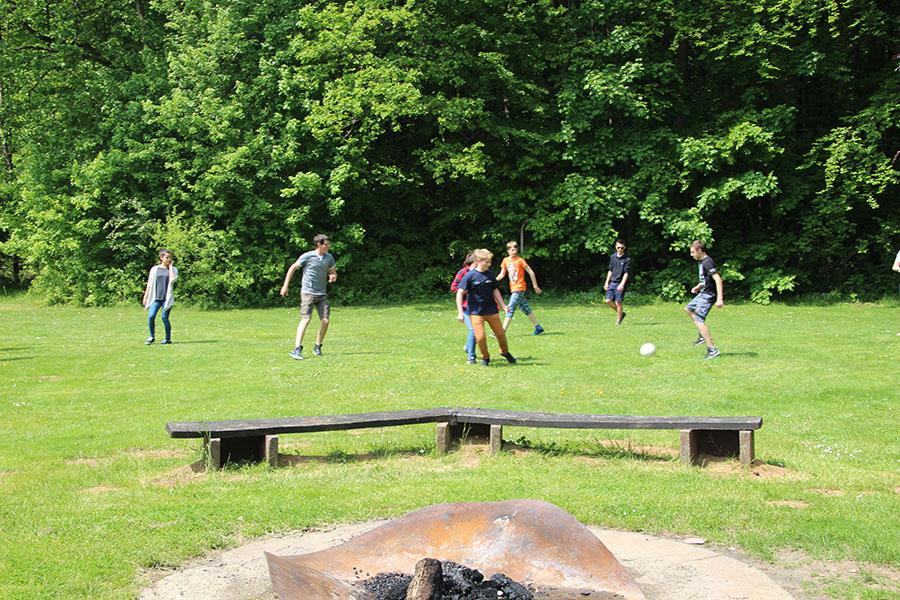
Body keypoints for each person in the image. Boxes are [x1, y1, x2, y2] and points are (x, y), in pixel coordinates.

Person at [280, 234, 337, 360]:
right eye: (326, 244)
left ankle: (318, 346)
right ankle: (297, 349)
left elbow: (333, 272)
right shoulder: (308, 256)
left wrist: (333, 276)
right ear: (319, 244)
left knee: (325, 320)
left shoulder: (329, 257)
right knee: (306, 319)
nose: (328, 246)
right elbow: (292, 268)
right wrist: (285, 286)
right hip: (308, 292)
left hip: (322, 294)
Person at [456, 249, 516, 367]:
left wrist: (503, 305)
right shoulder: (470, 275)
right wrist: (460, 313)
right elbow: (459, 293)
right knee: (480, 337)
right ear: (478, 261)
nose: (489, 264)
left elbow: (495, 290)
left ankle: (504, 352)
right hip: (476, 313)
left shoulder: (490, 274)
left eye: (489, 262)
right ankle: (485, 357)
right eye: (486, 262)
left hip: (491, 311)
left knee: (500, 334)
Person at [685, 240, 724, 359]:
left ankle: (712, 350)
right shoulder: (702, 261)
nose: (691, 255)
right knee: (688, 309)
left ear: (700, 250)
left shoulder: (708, 262)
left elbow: (718, 279)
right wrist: (699, 286)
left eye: (693, 252)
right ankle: (702, 335)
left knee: (699, 319)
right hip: (703, 292)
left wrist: (720, 299)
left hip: (708, 295)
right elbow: (707, 279)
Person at [496, 241, 544, 334]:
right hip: (513, 288)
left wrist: (535, 286)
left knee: (510, 308)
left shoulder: (520, 260)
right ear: (508, 251)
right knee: (525, 308)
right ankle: (538, 327)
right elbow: (502, 274)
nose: (514, 251)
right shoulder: (505, 260)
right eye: (512, 249)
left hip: (519, 288)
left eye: (515, 249)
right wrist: (493, 280)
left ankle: (501, 331)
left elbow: (531, 272)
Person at [142, 249, 178, 345]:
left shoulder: (173, 269)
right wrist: (146, 296)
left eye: (170, 257)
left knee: (164, 318)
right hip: (156, 298)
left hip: (167, 299)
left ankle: (167, 339)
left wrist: (170, 267)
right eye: (167, 257)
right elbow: (150, 283)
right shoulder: (155, 269)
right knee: (151, 316)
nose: (169, 259)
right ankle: (151, 337)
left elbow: (173, 280)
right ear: (161, 258)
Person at [450, 252, 477, 364]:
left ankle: (468, 346)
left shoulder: (481, 272)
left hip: (478, 307)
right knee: (473, 330)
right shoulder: (463, 272)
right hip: (466, 307)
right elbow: (454, 288)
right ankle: (471, 358)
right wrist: (465, 290)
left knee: (477, 331)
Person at [603, 239, 632, 325]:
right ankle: (621, 313)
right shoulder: (613, 257)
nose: (620, 249)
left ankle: (618, 321)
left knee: (618, 302)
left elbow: (626, 273)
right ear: (616, 247)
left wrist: (622, 284)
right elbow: (610, 270)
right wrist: (606, 282)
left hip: (620, 283)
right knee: (608, 300)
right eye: (618, 247)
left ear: (624, 248)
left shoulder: (627, 259)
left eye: (622, 248)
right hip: (612, 282)